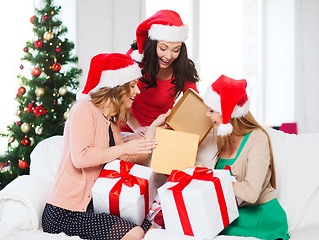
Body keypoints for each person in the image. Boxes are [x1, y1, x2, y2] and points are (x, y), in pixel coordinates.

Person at [42, 53, 169, 240]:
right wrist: (124, 148)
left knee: (152, 229)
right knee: (135, 233)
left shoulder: (112, 123)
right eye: (132, 86)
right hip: (65, 213)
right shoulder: (84, 109)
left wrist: (153, 129)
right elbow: (81, 157)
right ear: (117, 89)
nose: (138, 92)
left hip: (98, 206)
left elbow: (127, 160)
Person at [203, 75, 289, 240]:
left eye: (212, 110)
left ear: (227, 112)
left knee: (208, 224)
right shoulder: (224, 138)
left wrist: (212, 178)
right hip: (237, 213)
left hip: (262, 216)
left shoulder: (257, 139)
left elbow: (251, 193)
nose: (207, 114)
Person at [122, 10, 200, 135]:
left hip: (161, 132)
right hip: (129, 129)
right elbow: (117, 98)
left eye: (176, 50)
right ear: (153, 45)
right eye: (163, 48)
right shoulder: (135, 59)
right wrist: (136, 128)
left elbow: (194, 104)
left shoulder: (183, 68)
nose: (168, 56)